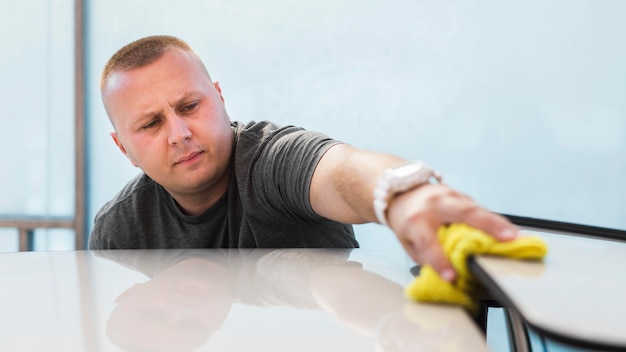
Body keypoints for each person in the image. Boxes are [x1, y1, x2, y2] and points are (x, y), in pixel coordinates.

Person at [90, 35, 519, 283]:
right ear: (123, 148)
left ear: (220, 100)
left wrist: (400, 192)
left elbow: (340, 171)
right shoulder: (118, 230)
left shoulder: (270, 160)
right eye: (149, 124)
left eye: (189, 106)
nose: (179, 134)